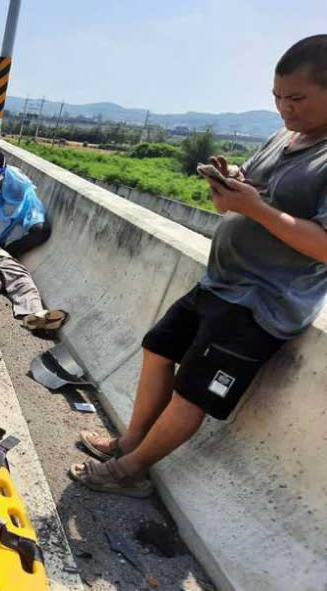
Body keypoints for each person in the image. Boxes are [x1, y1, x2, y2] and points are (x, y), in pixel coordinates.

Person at [69, 35, 327, 499]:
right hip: (220, 282)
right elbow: (240, 204)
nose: (285, 108)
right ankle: (128, 442)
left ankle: (132, 470)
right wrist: (229, 188)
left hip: (263, 303)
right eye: (277, 97)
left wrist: (257, 210)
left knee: (194, 390)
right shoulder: (282, 137)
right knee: (158, 347)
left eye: (297, 98)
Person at [0, 150, 50, 258]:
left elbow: (5, 217)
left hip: (23, 206)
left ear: (3, 170)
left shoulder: (17, 185)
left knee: (41, 231)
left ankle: (10, 252)